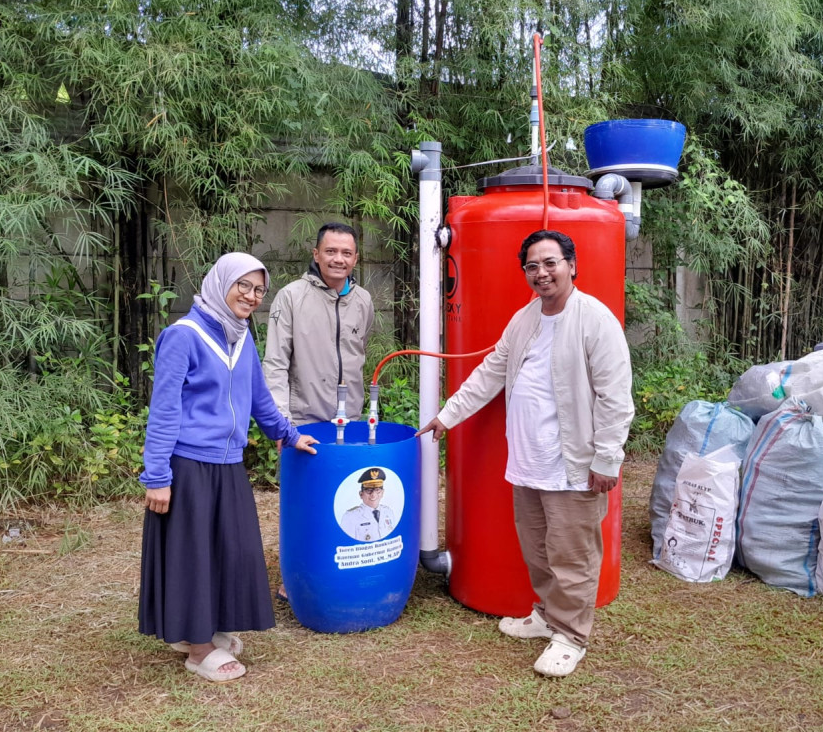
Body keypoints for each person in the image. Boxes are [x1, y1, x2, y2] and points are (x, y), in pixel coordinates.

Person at [418, 229, 633, 678]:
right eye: (532, 266)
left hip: (573, 463)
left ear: (572, 265)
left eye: (550, 262)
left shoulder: (595, 320)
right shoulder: (525, 319)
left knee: (572, 554)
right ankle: (546, 616)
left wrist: (606, 459)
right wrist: (448, 415)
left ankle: (571, 636)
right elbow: (489, 372)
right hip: (529, 461)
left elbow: (616, 398)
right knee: (538, 550)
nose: (542, 273)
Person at [139, 252, 318, 683]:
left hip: (229, 465)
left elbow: (259, 399)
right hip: (190, 465)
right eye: (244, 285)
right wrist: (158, 476)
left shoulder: (240, 338)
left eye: (259, 290)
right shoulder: (182, 336)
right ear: (222, 282)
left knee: (226, 552)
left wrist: (290, 435)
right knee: (193, 557)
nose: (251, 296)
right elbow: (163, 410)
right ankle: (197, 650)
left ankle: (206, 629)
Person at [264, 222, 374, 598]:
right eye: (331, 251)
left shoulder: (363, 300)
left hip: (352, 419)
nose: (338, 259)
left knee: (345, 494)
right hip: (304, 419)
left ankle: (342, 566)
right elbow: (275, 363)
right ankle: (298, 575)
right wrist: (281, 423)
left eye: (346, 253)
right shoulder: (291, 297)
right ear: (316, 254)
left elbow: (360, 352)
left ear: (355, 258)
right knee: (305, 502)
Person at [340, 468, 396, 542]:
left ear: (382, 493)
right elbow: (345, 543)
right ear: (361, 494)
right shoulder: (350, 517)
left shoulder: (388, 512)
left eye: (377, 490)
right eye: (369, 490)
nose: (373, 495)